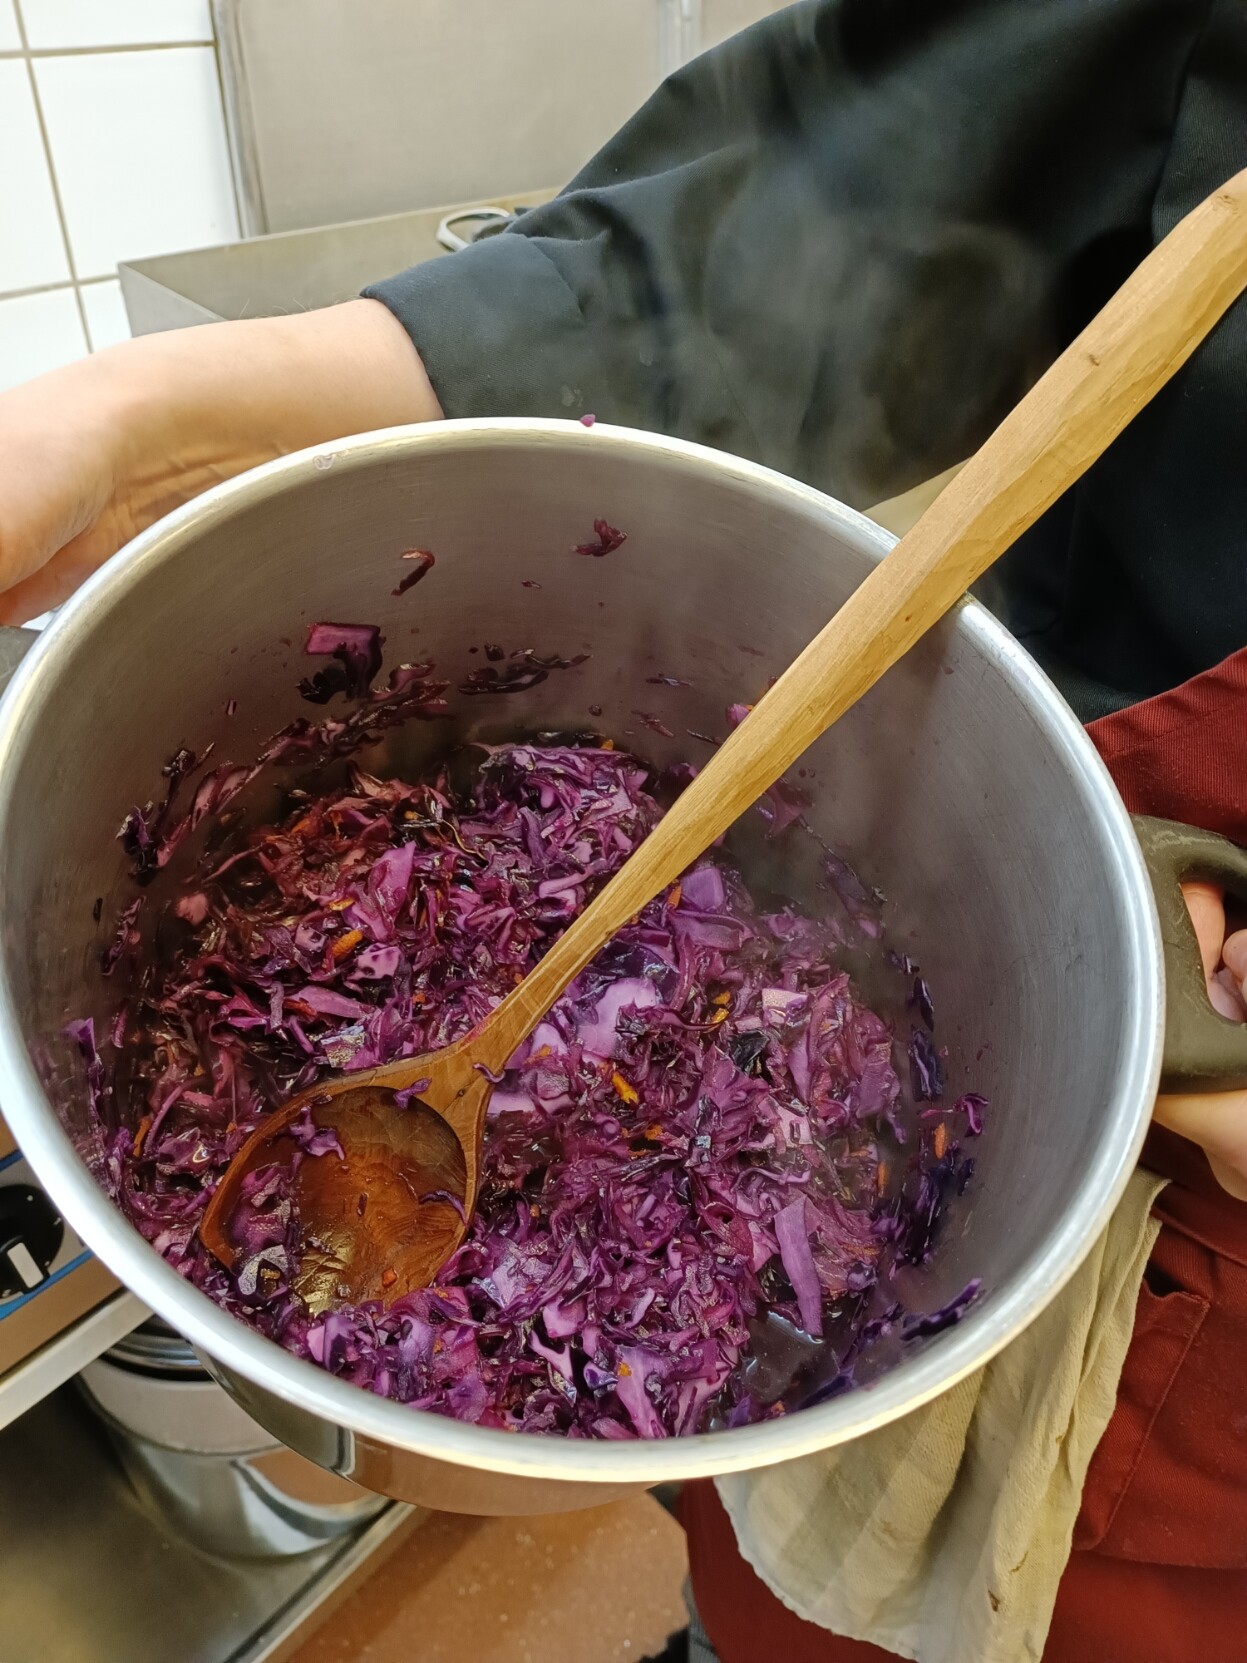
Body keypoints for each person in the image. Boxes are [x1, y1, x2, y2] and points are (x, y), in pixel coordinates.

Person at [2, 0, 1245, 1656]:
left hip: (1195, 1402)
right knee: (746, 1576)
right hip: (1113, 774)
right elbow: (905, 162)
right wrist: (159, 430)